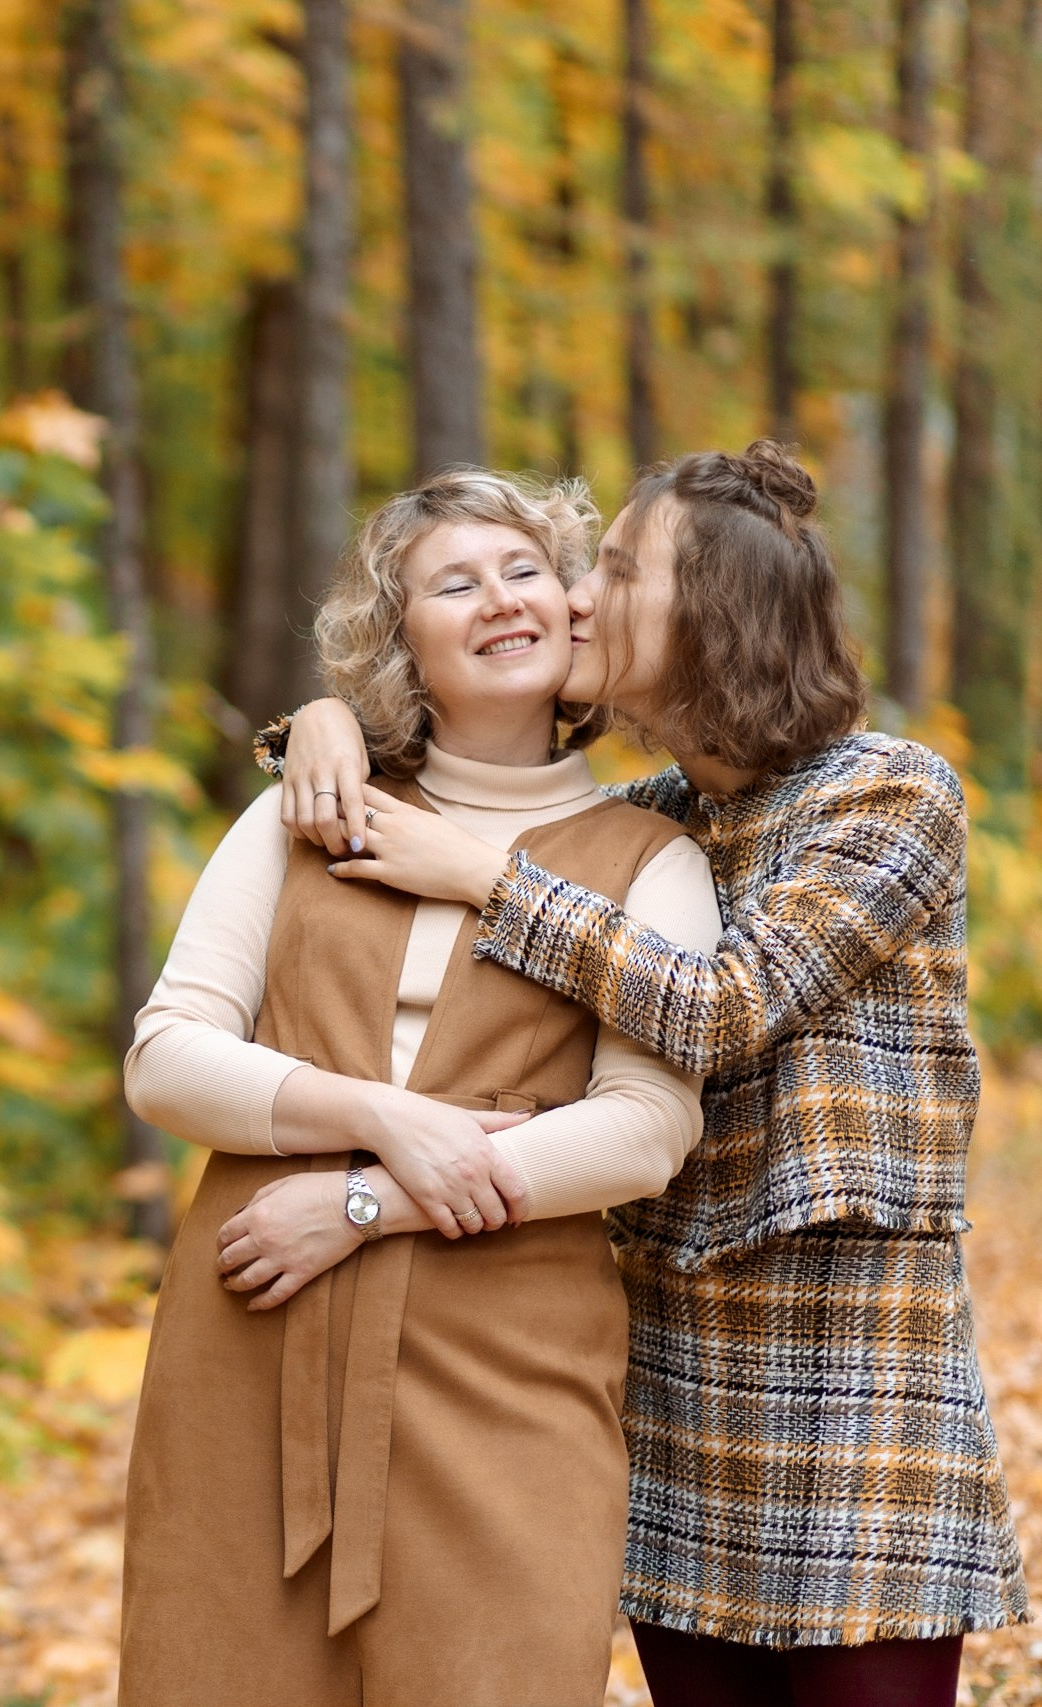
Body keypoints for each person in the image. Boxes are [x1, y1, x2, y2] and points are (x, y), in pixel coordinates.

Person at [270, 441, 1027, 1707]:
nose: (571, 597)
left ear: (711, 618)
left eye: (614, 569)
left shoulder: (889, 796)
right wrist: (320, 721)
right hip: (673, 1364)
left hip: (854, 1369)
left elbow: (725, 1008)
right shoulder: (652, 822)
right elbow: (462, 747)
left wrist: (483, 878)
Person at [119, 469, 724, 1707]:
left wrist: (363, 1202)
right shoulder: (306, 810)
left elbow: (647, 1125)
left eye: (524, 571)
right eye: (454, 584)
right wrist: (387, 1121)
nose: (499, 600)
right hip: (254, 1324)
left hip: (509, 1362)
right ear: (400, 642)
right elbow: (168, 1055)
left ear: (573, 610)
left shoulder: (648, 855)